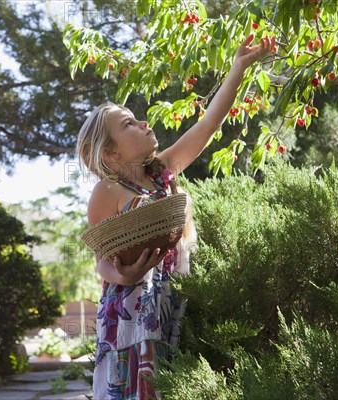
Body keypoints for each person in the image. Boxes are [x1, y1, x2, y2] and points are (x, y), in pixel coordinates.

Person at [76, 33, 276, 399]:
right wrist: (121, 273)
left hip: (177, 298)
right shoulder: (107, 193)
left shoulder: (163, 170)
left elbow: (207, 125)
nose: (145, 124)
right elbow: (101, 261)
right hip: (134, 315)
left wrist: (238, 67)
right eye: (130, 125)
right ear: (111, 154)